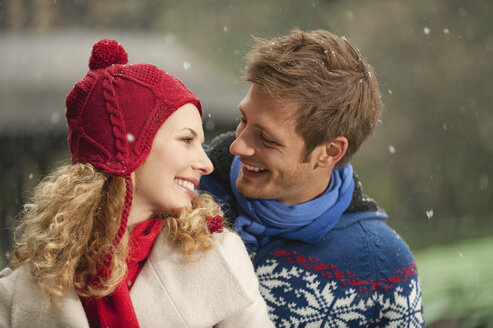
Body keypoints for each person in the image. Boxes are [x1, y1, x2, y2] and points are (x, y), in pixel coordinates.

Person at [0, 39, 274, 328]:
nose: (206, 164)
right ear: (130, 151)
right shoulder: (18, 295)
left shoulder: (219, 258)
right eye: (186, 140)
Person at [201, 29, 424, 327]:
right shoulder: (180, 190)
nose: (237, 145)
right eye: (243, 119)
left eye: (267, 139)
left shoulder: (382, 267)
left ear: (329, 151)